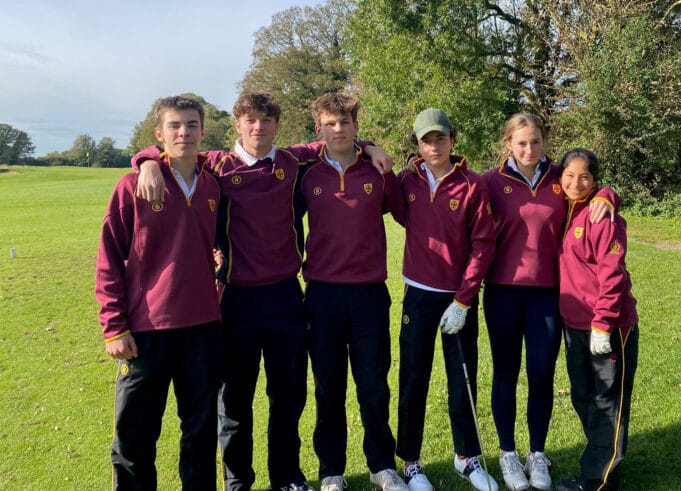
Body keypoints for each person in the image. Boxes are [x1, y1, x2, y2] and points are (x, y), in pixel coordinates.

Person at [132, 92, 393, 491]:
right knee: (235, 401)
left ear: (277, 125)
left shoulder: (293, 162)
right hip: (235, 299)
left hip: (286, 297)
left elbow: (336, 136)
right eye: (250, 120)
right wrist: (147, 159)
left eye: (267, 120)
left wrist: (369, 145)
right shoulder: (216, 163)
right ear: (237, 125)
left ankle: (286, 476)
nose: (259, 128)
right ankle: (238, 480)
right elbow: (175, 148)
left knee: (287, 397)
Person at [481, 113, 615, 491]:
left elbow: (589, 186)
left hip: (547, 294)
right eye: (521, 143)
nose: (528, 149)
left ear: (544, 142)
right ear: (508, 144)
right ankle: (508, 454)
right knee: (505, 374)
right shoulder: (491, 182)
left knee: (541, 374)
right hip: (503, 292)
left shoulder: (559, 177)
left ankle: (537, 454)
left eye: (535, 142)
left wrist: (608, 194)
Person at [95, 95, 222, 490]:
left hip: (202, 325)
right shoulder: (133, 184)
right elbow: (109, 257)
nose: (183, 132)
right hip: (146, 330)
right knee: (135, 434)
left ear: (203, 131)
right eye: (174, 126)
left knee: (199, 432)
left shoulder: (214, 184)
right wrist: (114, 326)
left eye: (191, 125)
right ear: (159, 134)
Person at [298, 92, 407, 491]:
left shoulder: (377, 170)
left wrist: (380, 156)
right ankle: (331, 470)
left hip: (369, 295)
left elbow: (409, 214)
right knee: (329, 388)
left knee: (374, 384)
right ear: (319, 129)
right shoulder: (305, 172)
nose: (338, 129)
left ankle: (382, 464)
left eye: (345, 122)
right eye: (330, 123)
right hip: (323, 296)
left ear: (356, 127)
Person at [395, 108, 499, 491]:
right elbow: (393, 207)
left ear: (452, 140)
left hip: (459, 298)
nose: (433, 146)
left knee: (463, 379)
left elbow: (483, 244)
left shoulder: (472, 185)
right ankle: (410, 462)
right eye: (426, 140)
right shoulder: (406, 181)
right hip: (418, 295)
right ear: (417, 145)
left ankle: (467, 458)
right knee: (413, 378)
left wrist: (464, 299)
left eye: (439, 138)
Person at [554, 148, 639, 491]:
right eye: (570, 176)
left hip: (607, 326)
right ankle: (603, 463)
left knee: (607, 400)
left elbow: (613, 275)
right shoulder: (566, 210)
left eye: (585, 177)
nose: (576, 183)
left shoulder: (602, 216)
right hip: (574, 323)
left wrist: (602, 323)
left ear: (596, 180)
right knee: (583, 396)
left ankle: (598, 481)